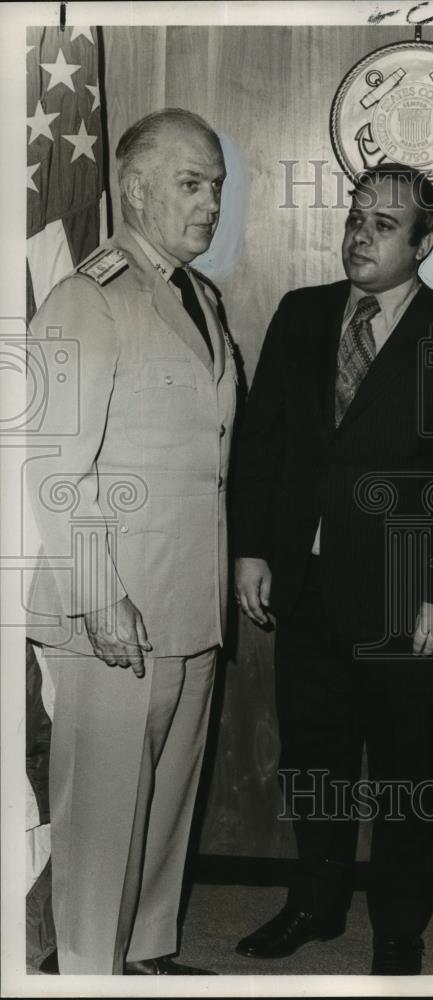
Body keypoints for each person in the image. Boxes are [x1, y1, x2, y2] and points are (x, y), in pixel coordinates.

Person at [232, 165, 433, 975]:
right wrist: (252, 547)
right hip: (308, 592)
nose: (359, 235)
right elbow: (263, 443)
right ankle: (314, 906)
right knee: (312, 763)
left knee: (406, 775)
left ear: (423, 245)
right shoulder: (300, 314)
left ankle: (399, 928)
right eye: (355, 217)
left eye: (383, 225)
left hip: (410, 604)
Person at [26, 108, 236, 975]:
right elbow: (50, 463)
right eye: (193, 185)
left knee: (165, 803)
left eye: (217, 187)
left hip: (188, 602)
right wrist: (98, 591)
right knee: (104, 810)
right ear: (136, 188)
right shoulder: (88, 297)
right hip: (111, 604)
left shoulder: (202, 297)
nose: (211, 205)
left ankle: (144, 954)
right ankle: (84, 970)